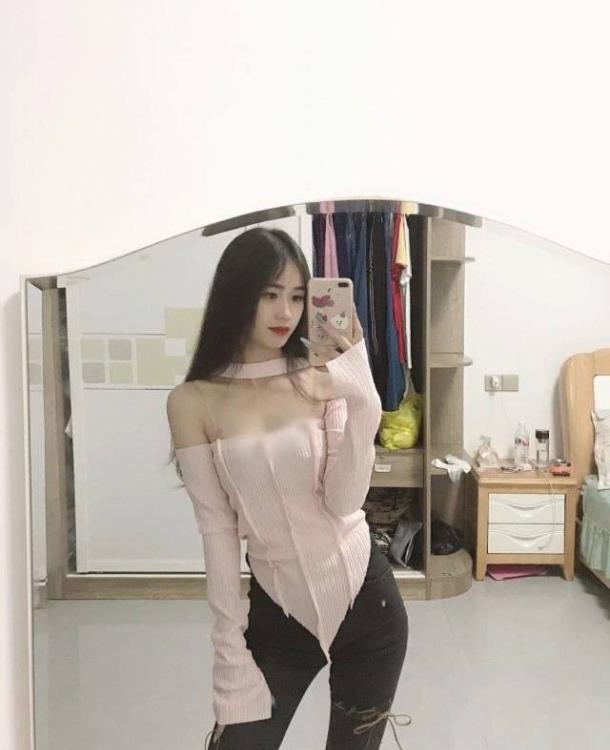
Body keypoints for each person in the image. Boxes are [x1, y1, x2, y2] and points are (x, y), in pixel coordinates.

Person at [166, 227, 410, 749]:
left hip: (368, 606)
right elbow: (217, 531)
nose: (285, 312)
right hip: (279, 613)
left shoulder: (320, 377)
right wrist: (229, 650)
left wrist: (362, 395)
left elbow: (344, 502)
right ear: (237, 296)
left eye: (298, 296)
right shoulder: (193, 401)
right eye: (269, 294)